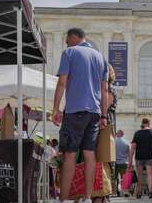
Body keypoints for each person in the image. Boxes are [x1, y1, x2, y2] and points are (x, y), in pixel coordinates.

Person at [52, 28, 109, 203]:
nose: (67, 44)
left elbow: (62, 82)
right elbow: (104, 89)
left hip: (75, 110)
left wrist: (56, 109)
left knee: (70, 154)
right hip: (94, 112)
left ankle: (62, 200)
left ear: (73, 38)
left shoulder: (69, 52)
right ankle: (86, 198)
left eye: (67, 41)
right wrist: (104, 116)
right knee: (89, 153)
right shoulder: (101, 58)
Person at [129, 118, 152, 199]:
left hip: (139, 156)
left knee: (139, 175)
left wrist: (130, 159)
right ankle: (150, 191)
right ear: (149, 123)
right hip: (150, 156)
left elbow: (133, 147)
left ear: (142, 123)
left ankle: (139, 192)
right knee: (150, 174)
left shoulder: (137, 133)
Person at [115, 130, 131, 196]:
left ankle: (115, 192)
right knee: (124, 178)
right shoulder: (127, 142)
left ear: (117, 134)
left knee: (114, 178)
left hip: (115, 163)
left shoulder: (113, 142)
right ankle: (125, 192)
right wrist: (130, 163)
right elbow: (130, 154)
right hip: (124, 162)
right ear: (123, 134)